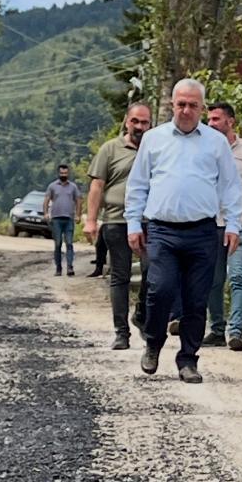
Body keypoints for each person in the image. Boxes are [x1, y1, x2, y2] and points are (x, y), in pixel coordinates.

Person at [125, 78, 242, 383]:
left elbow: (231, 187)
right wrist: (134, 224)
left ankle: (188, 359)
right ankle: (153, 343)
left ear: (202, 108)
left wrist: (233, 224)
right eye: (181, 104)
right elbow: (137, 185)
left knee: (196, 299)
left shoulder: (216, 143)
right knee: (160, 289)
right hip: (162, 230)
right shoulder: (154, 139)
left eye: (192, 105)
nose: (186, 110)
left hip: (202, 231)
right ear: (172, 105)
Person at [85, 102, 155, 349]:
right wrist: (91, 220)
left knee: (153, 272)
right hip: (116, 220)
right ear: (126, 121)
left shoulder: (156, 148)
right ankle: (121, 333)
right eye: (135, 121)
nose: (139, 126)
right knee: (120, 275)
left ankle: (142, 314)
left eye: (144, 122)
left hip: (149, 221)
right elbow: (97, 186)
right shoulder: (110, 149)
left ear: (150, 124)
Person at [204, 102, 242, 351]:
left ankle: (236, 331)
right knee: (213, 280)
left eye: (216, 119)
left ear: (230, 121)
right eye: (209, 119)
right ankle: (217, 329)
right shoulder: (204, 149)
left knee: (238, 276)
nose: (210, 124)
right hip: (212, 223)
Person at [42, 164, 82, 277]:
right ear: (58, 173)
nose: (63, 175)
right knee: (58, 244)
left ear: (68, 173)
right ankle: (58, 268)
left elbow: (79, 200)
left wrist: (78, 215)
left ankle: (70, 267)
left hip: (69, 219)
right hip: (56, 219)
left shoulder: (73, 187)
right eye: (62, 173)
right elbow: (46, 200)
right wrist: (46, 213)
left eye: (65, 173)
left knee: (69, 243)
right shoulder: (52, 186)